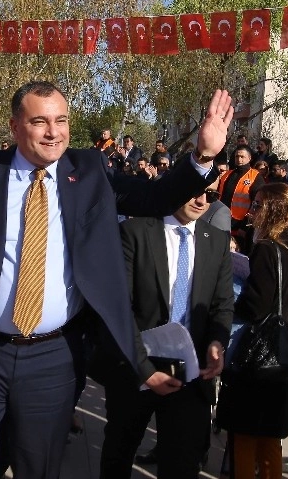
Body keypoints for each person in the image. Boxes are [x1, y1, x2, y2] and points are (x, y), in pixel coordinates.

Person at [0, 81, 233, 479]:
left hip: (53, 356)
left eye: (61, 120)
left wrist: (203, 154)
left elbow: (154, 199)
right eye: (40, 121)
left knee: (38, 467)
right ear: (16, 126)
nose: (54, 132)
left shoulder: (89, 172)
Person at [99, 184, 234, 478]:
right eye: (194, 191)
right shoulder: (135, 232)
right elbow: (118, 308)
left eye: (210, 196)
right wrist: (144, 369)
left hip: (190, 372)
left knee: (182, 464)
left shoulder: (217, 241)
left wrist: (217, 341)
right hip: (136, 365)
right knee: (118, 455)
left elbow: (222, 304)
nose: (201, 201)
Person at [216, 183, 288, 479]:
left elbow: (256, 305)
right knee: (270, 437)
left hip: (259, 351)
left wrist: (233, 291)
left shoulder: (267, 248)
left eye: (257, 205)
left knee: (244, 434)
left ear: (273, 209)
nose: (252, 211)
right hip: (285, 347)